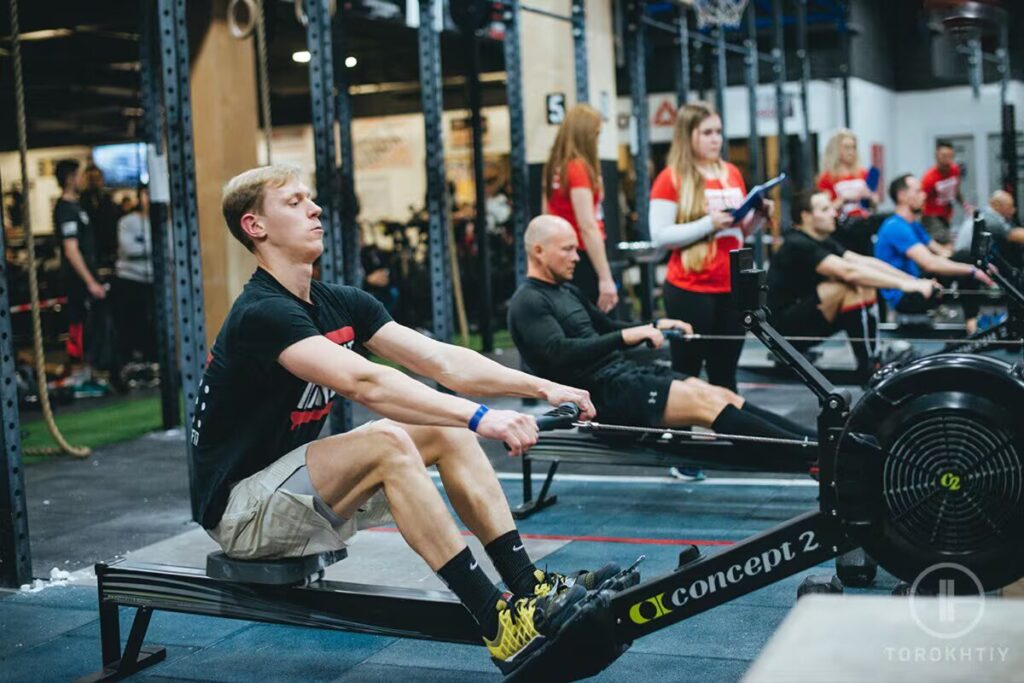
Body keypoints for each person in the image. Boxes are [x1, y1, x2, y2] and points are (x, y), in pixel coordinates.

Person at [194, 165, 620, 676]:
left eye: (311, 199)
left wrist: (540, 386)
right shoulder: (261, 312)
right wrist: (484, 416)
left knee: (442, 429)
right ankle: (497, 622)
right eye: (293, 202)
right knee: (388, 439)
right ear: (254, 227)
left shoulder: (339, 303)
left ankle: (527, 587)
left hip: (295, 494)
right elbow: (365, 383)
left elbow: (442, 360)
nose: (315, 209)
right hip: (243, 516)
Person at [508, 215, 815, 458]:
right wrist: (627, 337)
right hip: (601, 398)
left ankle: (816, 441)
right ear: (538, 251)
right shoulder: (528, 302)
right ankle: (813, 455)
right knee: (707, 405)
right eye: (567, 249)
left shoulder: (567, 290)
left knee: (719, 394)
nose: (576, 257)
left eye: (576, 248)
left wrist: (655, 324)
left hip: (623, 376)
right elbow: (558, 352)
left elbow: (608, 326)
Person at [649, 101, 771, 392]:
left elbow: (739, 231)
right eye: (707, 133)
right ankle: (679, 436)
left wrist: (758, 217)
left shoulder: (730, 173)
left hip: (731, 287)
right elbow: (660, 236)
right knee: (686, 375)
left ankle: (730, 436)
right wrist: (708, 223)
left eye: (718, 131)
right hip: (690, 288)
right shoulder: (671, 178)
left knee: (726, 375)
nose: (716, 139)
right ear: (688, 135)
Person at [767, 190, 936, 380]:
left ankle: (873, 356)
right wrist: (904, 286)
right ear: (806, 216)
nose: (834, 213)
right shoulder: (797, 243)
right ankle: (869, 364)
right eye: (825, 209)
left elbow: (862, 262)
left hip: (807, 317)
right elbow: (850, 272)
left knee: (864, 283)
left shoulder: (822, 240)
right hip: (782, 332)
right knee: (849, 285)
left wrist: (912, 281)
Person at [874, 174, 994, 334]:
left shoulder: (913, 225)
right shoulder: (895, 227)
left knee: (964, 257)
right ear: (902, 196)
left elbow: (942, 252)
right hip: (905, 296)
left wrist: (976, 264)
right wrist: (971, 270)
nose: (924, 196)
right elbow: (929, 262)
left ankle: (973, 321)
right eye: (917, 192)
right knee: (964, 263)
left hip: (919, 282)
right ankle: (972, 325)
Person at [543, 104, 617, 312]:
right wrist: (605, 278)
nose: (597, 141)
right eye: (596, 135)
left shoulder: (553, 166)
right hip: (583, 255)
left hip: (562, 255)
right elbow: (587, 225)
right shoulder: (578, 168)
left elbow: (545, 217)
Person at [54, 159, 108, 386]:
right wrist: (90, 282)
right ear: (69, 179)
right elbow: (71, 250)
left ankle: (88, 370)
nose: (82, 179)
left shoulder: (78, 206)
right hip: (77, 282)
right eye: (78, 175)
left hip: (87, 279)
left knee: (91, 325)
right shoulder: (65, 209)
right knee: (78, 324)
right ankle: (78, 372)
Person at [114, 187, 156, 367]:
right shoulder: (127, 222)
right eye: (145, 194)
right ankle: (132, 363)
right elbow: (129, 249)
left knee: (153, 325)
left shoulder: (164, 222)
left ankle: (152, 362)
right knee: (132, 323)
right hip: (130, 279)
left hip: (155, 281)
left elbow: (170, 249)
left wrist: (143, 246)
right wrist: (154, 247)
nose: (148, 198)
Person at [953, 189, 1024, 269]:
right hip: (966, 260)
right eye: (1010, 206)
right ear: (997, 205)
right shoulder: (991, 219)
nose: (1013, 211)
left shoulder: (986, 212)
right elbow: (1015, 235)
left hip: (971, 258)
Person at [816, 129, 876, 223]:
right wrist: (844, 199)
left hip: (864, 222)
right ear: (835, 150)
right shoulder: (826, 178)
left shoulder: (862, 173)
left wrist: (871, 198)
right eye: (846, 148)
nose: (851, 152)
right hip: (840, 224)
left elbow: (873, 205)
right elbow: (824, 209)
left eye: (853, 147)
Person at [921, 140, 970, 245]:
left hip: (946, 215)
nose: (947, 159)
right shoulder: (929, 178)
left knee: (947, 241)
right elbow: (921, 200)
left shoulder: (955, 170)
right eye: (944, 156)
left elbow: (956, 191)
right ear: (936, 156)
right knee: (945, 243)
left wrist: (966, 206)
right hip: (931, 216)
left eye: (950, 156)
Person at [80, 164, 120, 270]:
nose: (94, 182)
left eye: (97, 178)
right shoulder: (80, 203)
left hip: (109, 251)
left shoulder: (109, 202)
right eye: (91, 179)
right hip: (89, 253)